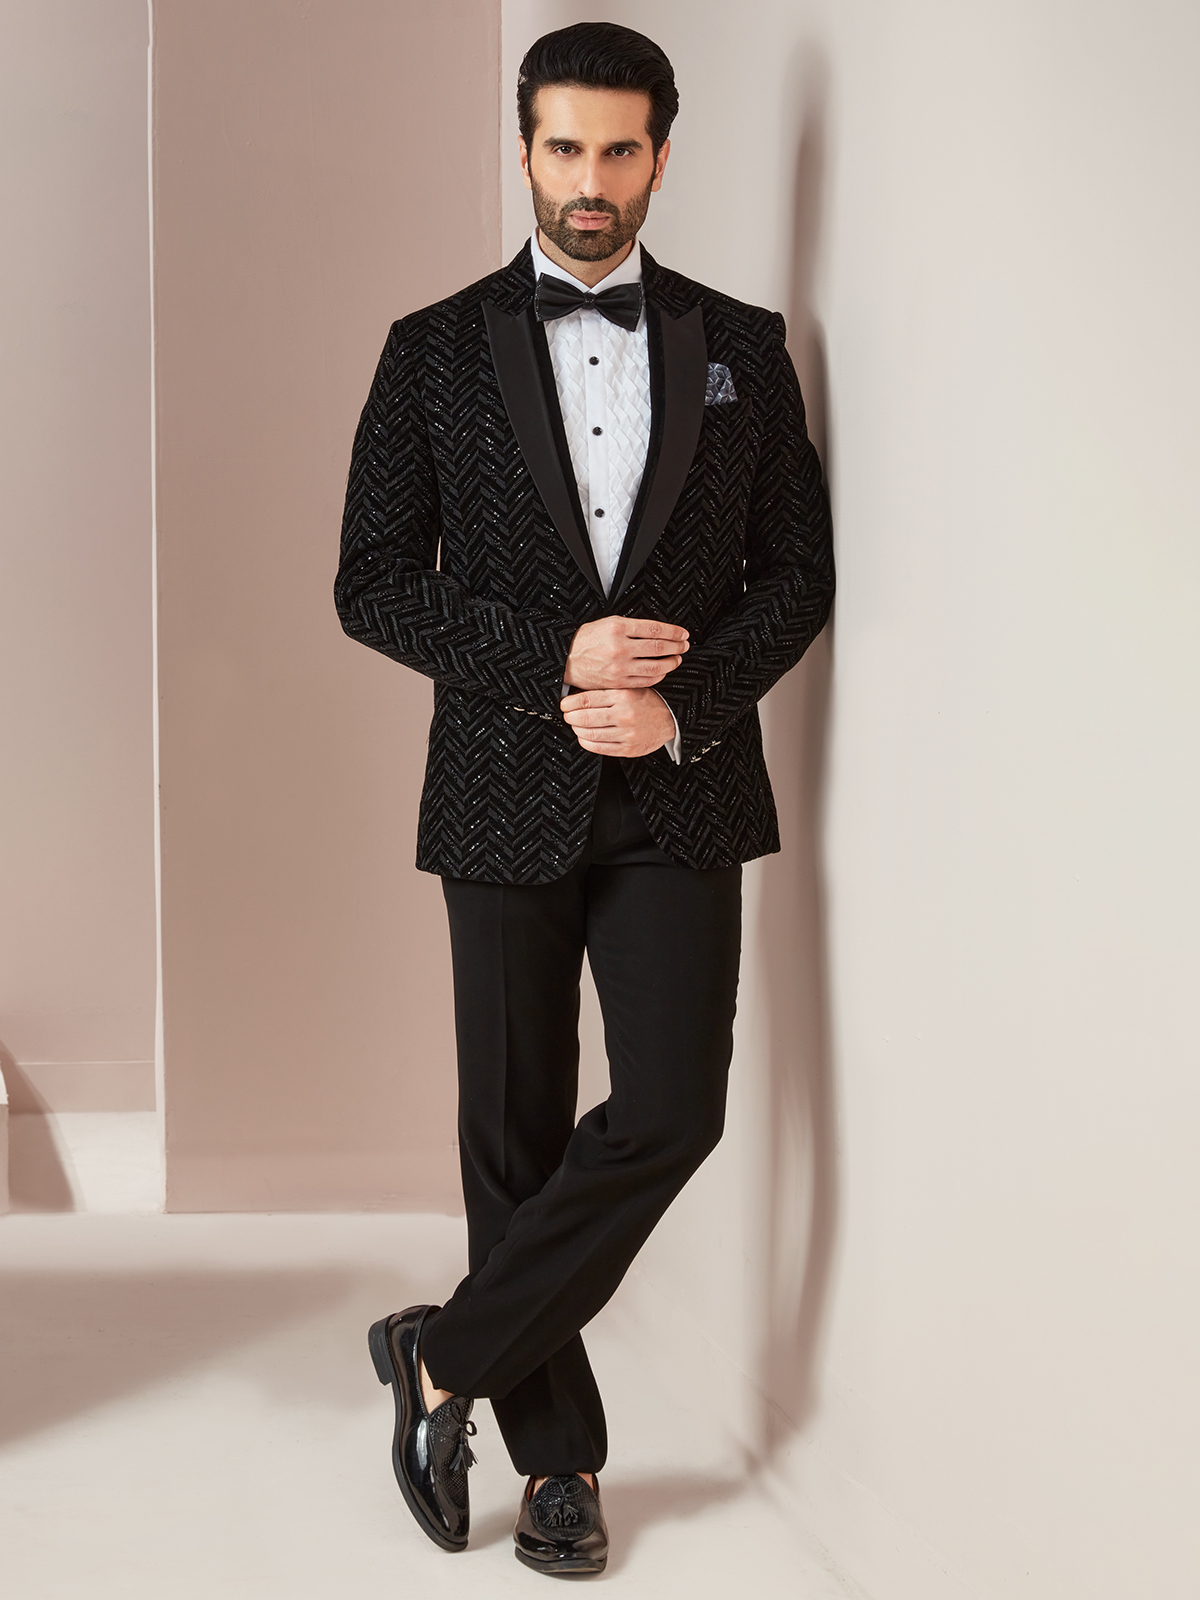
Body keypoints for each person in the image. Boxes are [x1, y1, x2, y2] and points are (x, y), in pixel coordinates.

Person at [336, 20, 834, 1578]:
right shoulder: (431, 349)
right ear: (526, 149)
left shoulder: (743, 343)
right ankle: (560, 1464)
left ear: (661, 156)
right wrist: (552, 657)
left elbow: (798, 576)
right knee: (516, 1133)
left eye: (621, 149)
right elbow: (371, 585)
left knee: (674, 1108)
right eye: (565, 147)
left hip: (683, 789)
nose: (591, 180)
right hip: (500, 783)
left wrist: (683, 703)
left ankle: (439, 1356)